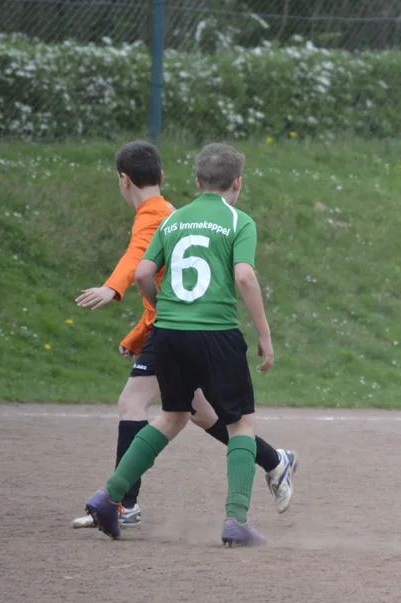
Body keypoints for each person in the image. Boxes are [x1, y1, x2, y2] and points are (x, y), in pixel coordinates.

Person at [74, 140, 296, 532]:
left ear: (196, 181)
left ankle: (109, 498)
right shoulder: (238, 221)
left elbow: (143, 272)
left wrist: (161, 308)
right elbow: (244, 276)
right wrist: (265, 334)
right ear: (238, 183)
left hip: (169, 333)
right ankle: (236, 520)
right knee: (240, 424)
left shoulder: (171, 221)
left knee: (172, 416)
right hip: (215, 333)